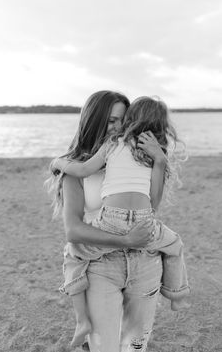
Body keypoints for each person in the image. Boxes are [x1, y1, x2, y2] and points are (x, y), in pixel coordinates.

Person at [51, 96, 190, 348]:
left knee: (135, 345)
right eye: (111, 120)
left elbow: (152, 206)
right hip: (102, 265)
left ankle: (177, 294)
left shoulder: (142, 154)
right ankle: (83, 319)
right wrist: (124, 240)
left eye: (123, 120)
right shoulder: (78, 167)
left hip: (145, 261)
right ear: (93, 122)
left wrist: (159, 160)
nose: (118, 126)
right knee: (104, 346)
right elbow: (73, 231)